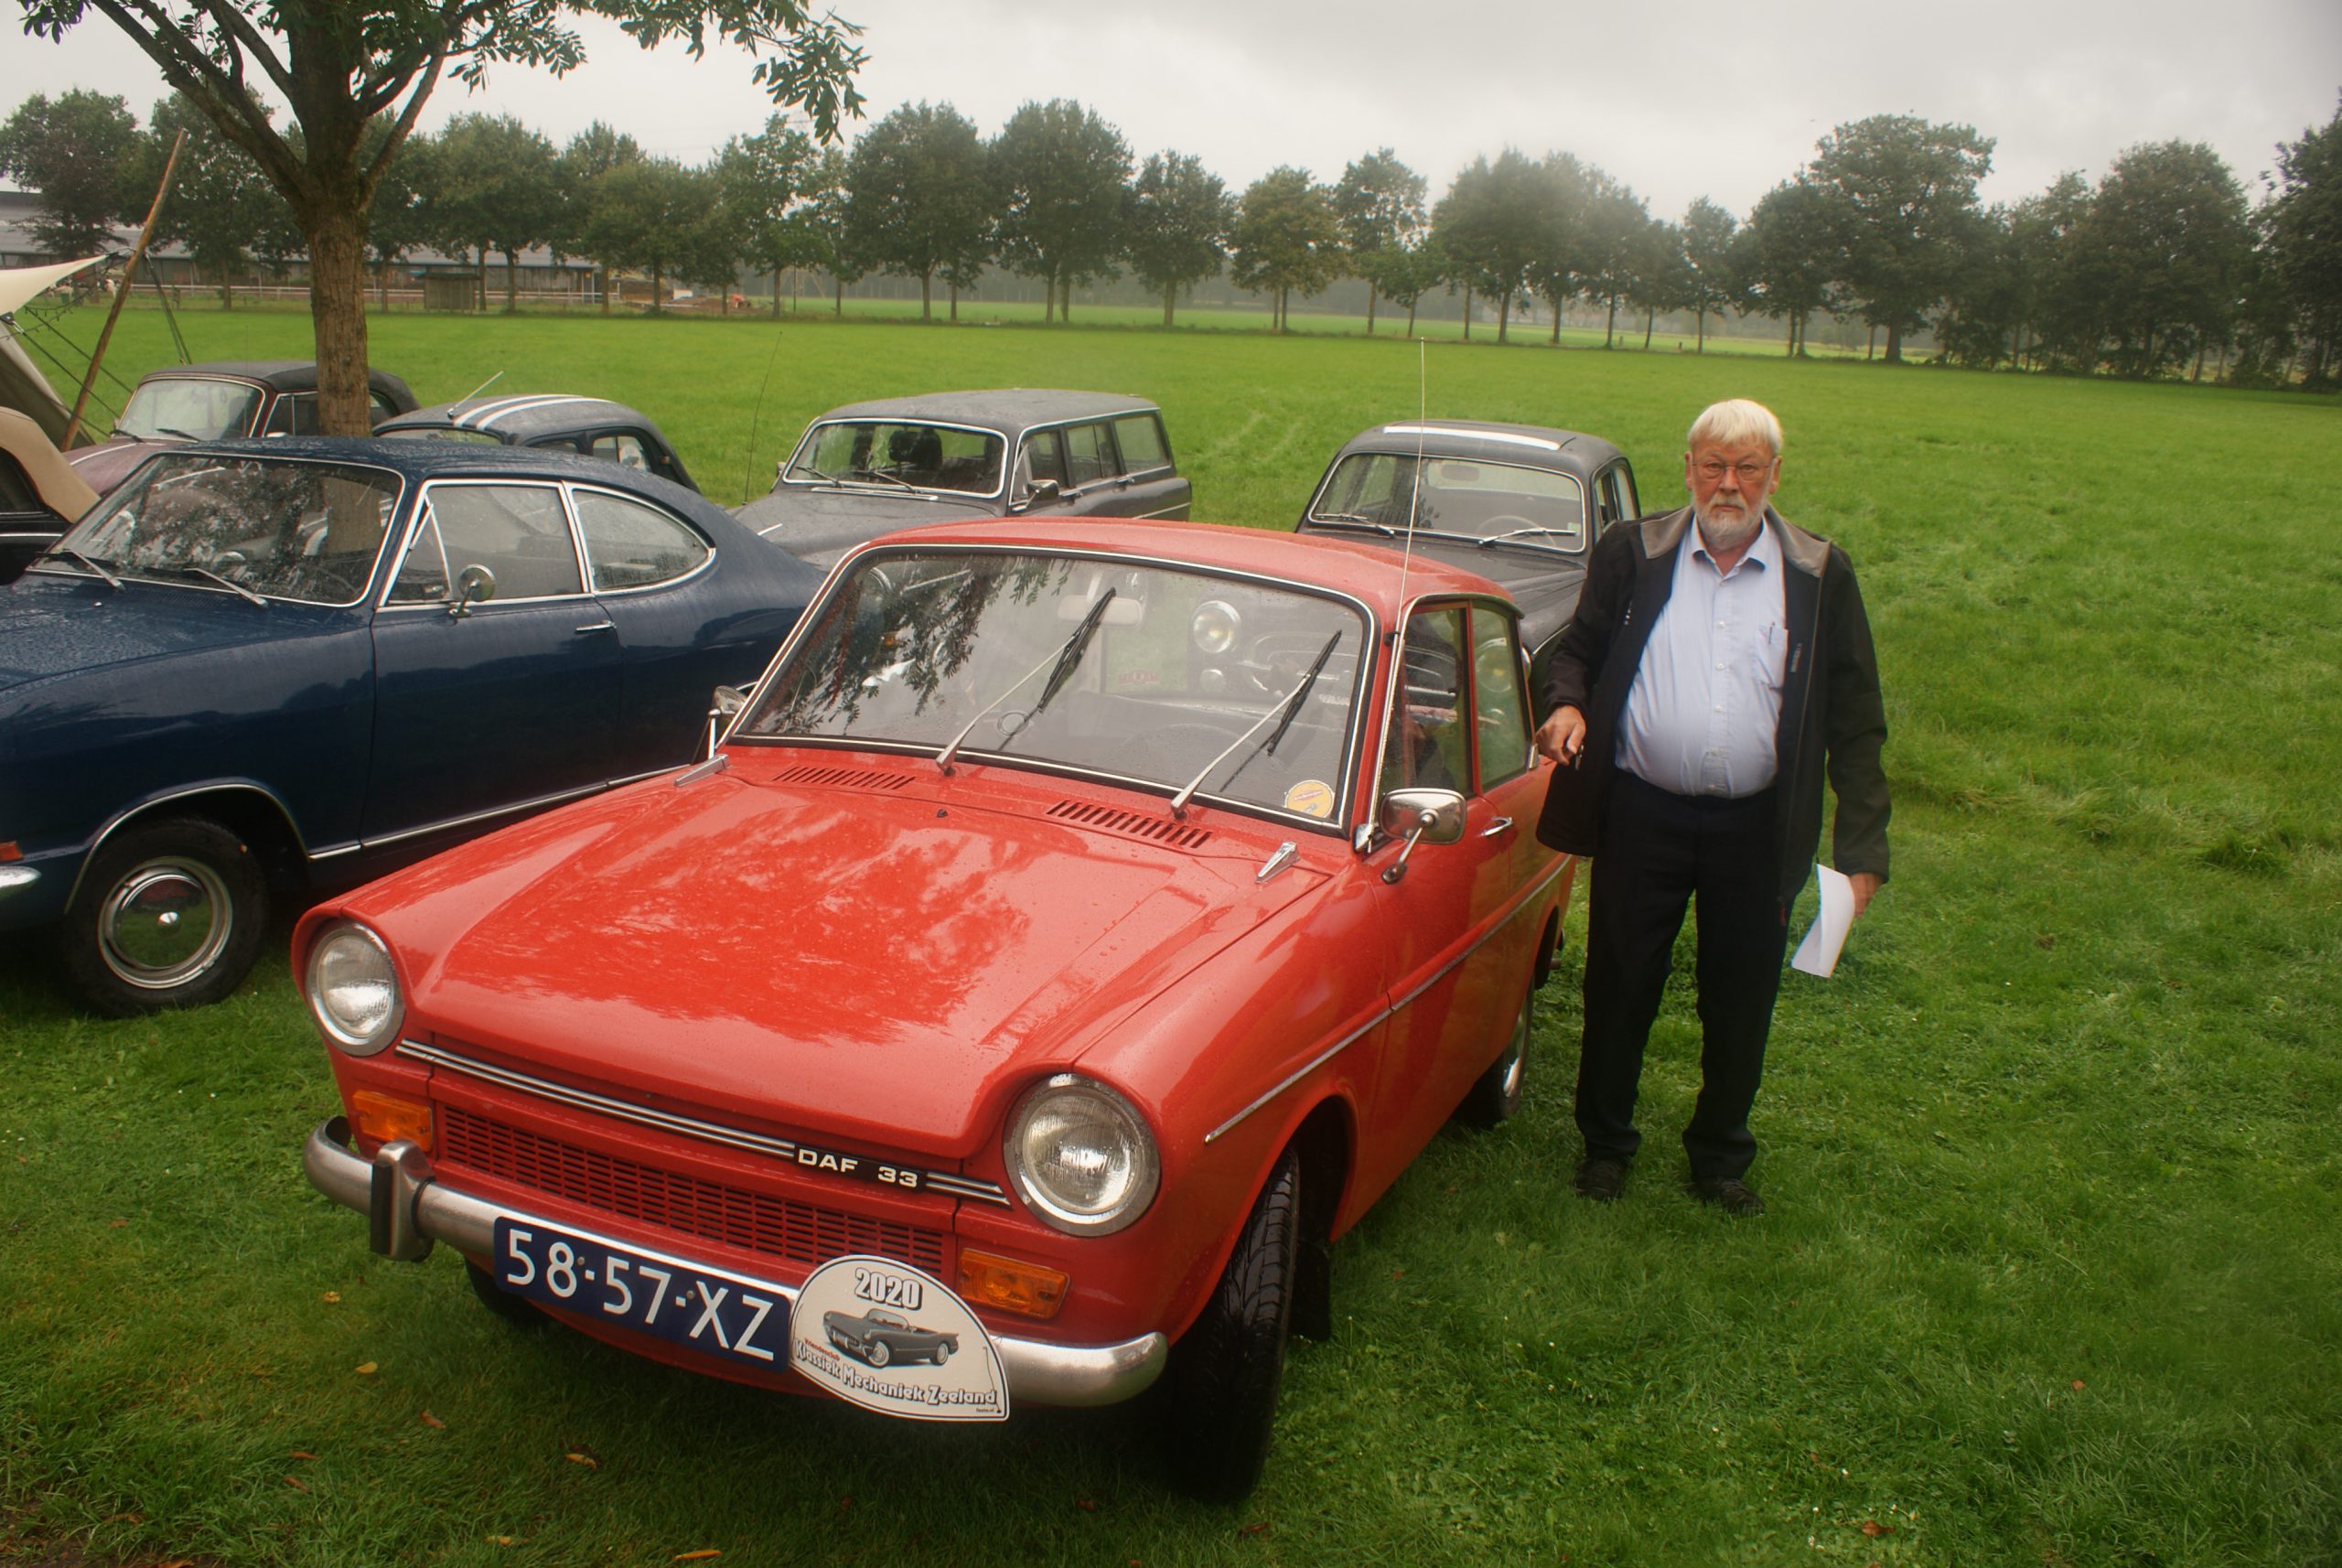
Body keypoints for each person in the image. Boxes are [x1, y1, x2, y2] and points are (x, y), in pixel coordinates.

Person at [1531, 398, 1888, 1216]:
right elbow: (1577, 650)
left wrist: (1862, 853)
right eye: (1714, 466)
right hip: (1642, 813)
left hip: (1758, 829)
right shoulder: (1635, 552)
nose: (1729, 484)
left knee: (1741, 995)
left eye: (1747, 468)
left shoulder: (1820, 575)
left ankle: (1721, 1157)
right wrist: (1568, 703)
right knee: (1620, 982)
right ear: (1689, 469)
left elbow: (1857, 721)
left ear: (1774, 476)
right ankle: (1605, 1147)